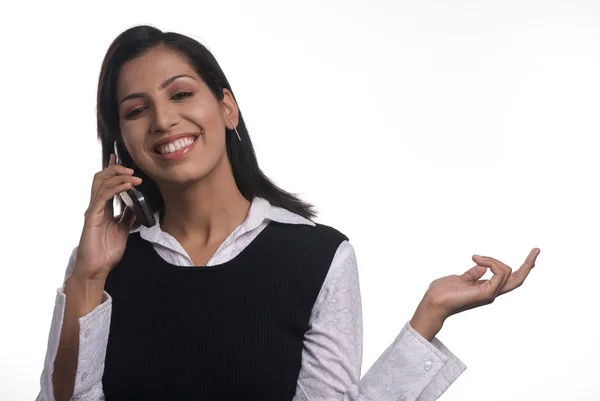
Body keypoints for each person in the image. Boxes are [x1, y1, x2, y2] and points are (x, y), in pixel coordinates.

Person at [35, 25, 540, 401]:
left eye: (182, 94)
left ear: (227, 108)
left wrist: (429, 316)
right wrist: (88, 276)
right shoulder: (100, 265)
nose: (164, 120)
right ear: (121, 141)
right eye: (136, 110)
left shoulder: (317, 256)